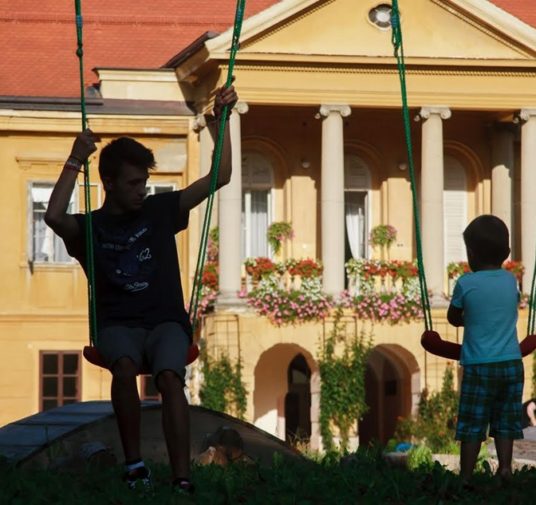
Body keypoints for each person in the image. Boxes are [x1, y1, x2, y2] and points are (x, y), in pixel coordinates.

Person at [44, 83, 238, 494]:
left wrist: (222, 122)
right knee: (125, 368)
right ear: (109, 183)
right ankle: (135, 466)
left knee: (170, 376)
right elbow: (53, 215)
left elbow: (220, 175)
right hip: (117, 326)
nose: (142, 190)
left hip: (165, 322)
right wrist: (77, 158)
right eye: (133, 183)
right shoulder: (90, 229)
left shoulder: (160, 210)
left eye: (144, 182)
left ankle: (181, 477)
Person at [447, 215, 524, 485]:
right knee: (505, 420)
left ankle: (466, 476)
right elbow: (504, 310)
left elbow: (453, 317)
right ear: (506, 253)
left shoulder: (466, 283)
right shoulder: (510, 282)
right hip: (512, 364)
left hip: (480, 365)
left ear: (471, 253)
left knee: (472, 422)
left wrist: (470, 317)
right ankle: (505, 468)